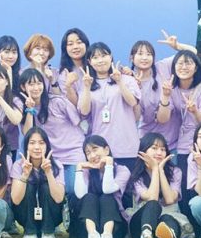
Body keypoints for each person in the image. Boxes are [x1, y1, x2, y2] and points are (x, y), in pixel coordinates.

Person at [156, 49, 201, 214]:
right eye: (180, 63)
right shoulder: (171, 89)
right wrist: (165, 96)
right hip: (181, 146)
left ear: (196, 68)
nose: (184, 67)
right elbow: (163, 118)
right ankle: (189, 224)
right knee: (183, 188)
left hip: (200, 145)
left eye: (188, 63)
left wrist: (195, 111)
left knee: (200, 187)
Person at [77, 42, 139, 173]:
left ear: (110, 57)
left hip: (126, 145)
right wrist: (87, 87)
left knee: (128, 184)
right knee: (104, 184)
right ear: (89, 62)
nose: (100, 60)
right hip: (100, 148)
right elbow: (84, 111)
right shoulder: (87, 84)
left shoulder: (127, 79)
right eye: (95, 57)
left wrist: (119, 81)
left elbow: (133, 102)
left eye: (104, 56)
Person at [20, 68, 84, 193]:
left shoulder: (57, 101)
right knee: (51, 192)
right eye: (31, 84)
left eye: (39, 83)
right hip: (50, 157)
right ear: (23, 87)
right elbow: (27, 133)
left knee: (73, 190)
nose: (36, 88)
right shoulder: (24, 108)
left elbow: (77, 121)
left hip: (73, 152)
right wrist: (30, 110)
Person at [126, 132, 189, 238]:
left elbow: (170, 199)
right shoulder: (137, 175)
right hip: (140, 224)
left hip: (166, 217)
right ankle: (146, 235)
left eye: (163, 149)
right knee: (153, 204)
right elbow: (152, 198)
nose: (159, 153)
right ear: (143, 151)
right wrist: (155, 169)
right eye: (154, 148)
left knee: (168, 219)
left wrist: (161, 171)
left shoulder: (175, 172)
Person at [10, 127, 65, 238]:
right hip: (25, 215)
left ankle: (48, 231)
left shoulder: (57, 165)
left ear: (47, 146)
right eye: (32, 143)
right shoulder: (18, 165)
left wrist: (49, 173)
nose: (36, 147)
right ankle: (30, 231)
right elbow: (16, 200)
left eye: (41, 143)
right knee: (28, 186)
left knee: (46, 186)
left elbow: (59, 198)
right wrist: (25, 175)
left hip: (52, 215)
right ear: (26, 146)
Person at [74, 135, 130, 238]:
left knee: (107, 197)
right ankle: (92, 235)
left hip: (115, 226)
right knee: (89, 197)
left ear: (106, 150)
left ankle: (107, 235)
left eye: (95, 149)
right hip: (88, 227)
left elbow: (107, 189)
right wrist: (79, 168)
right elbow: (80, 194)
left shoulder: (122, 170)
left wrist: (109, 165)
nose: (92, 155)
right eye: (88, 153)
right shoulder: (87, 171)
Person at [57, 28, 90, 105]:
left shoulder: (95, 67)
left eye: (79, 42)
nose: (75, 47)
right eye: (70, 44)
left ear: (86, 44)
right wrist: (68, 86)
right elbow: (73, 105)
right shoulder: (64, 74)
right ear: (65, 48)